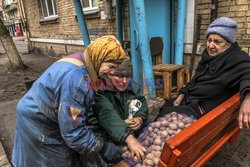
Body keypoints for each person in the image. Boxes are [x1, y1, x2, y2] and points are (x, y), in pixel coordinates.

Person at [12, 35, 127, 167]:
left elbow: (87, 105)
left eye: (115, 68)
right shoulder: (77, 79)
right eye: (110, 66)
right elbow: (73, 133)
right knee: (53, 159)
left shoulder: (87, 60)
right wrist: (103, 147)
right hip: (38, 120)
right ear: (99, 57)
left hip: (41, 108)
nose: (112, 72)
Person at [159, 17, 250, 129]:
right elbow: (195, 79)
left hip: (203, 112)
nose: (211, 45)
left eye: (217, 41)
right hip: (190, 100)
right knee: (167, 105)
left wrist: (248, 99)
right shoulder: (207, 56)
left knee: (165, 118)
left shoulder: (237, 58)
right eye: (209, 40)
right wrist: (182, 93)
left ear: (229, 44)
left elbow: (248, 74)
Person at [87, 58, 148, 165]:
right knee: (112, 155)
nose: (124, 81)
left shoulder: (132, 86)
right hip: (102, 132)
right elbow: (108, 116)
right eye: (119, 76)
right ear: (109, 75)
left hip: (123, 130)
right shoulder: (99, 90)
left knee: (148, 127)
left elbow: (140, 101)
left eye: (128, 77)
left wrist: (139, 117)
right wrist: (129, 139)